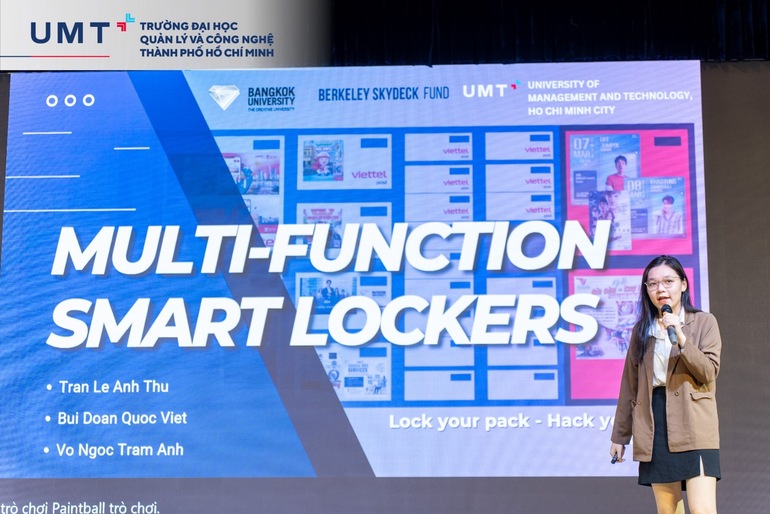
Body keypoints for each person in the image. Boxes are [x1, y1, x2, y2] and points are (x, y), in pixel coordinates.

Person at [609, 255, 721, 514]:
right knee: (668, 510)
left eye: (668, 281)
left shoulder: (704, 322)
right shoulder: (641, 330)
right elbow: (630, 387)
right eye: (653, 284)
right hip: (654, 423)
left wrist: (681, 338)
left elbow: (708, 372)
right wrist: (620, 437)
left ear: (683, 284)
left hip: (694, 424)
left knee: (703, 509)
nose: (660, 289)